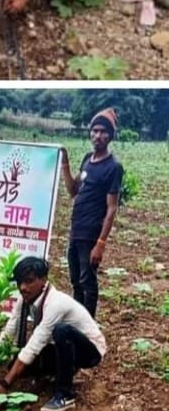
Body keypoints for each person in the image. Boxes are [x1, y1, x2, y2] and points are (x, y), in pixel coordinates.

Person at [0, 256, 107, 411]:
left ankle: (65, 395)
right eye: (20, 282)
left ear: (43, 280)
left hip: (90, 351)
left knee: (61, 331)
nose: (23, 287)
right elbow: (11, 327)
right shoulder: (24, 298)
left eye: (29, 281)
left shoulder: (56, 304)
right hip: (62, 347)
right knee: (15, 365)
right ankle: (55, 374)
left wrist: (5, 384)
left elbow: (34, 345)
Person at [60, 107, 123, 320]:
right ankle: (77, 323)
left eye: (103, 132)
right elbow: (73, 190)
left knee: (88, 282)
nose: (98, 135)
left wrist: (101, 243)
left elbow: (112, 207)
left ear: (110, 136)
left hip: (91, 234)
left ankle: (88, 327)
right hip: (76, 231)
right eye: (95, 130)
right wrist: (65, 162)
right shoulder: (87, 159)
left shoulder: (113, 167)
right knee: (76, 281)